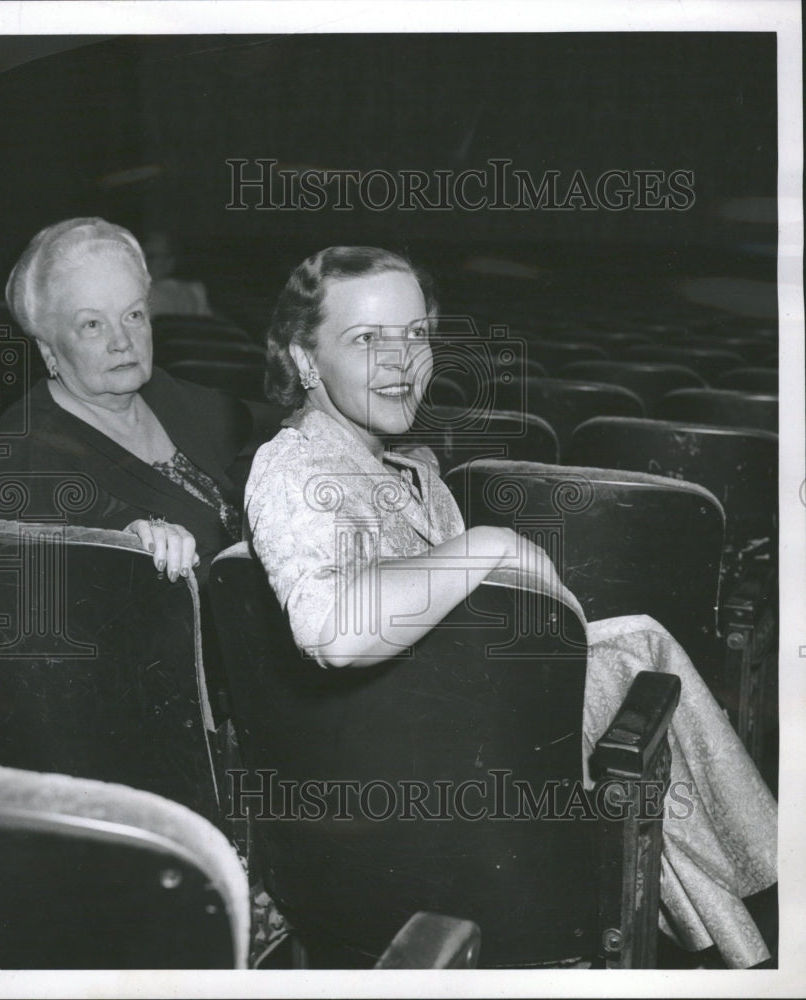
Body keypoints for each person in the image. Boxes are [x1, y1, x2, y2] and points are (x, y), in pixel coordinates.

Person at [244, 246, 778, 969]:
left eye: (417, 334)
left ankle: (761, 892)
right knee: (641, 675)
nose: (402, 361)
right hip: (428, 806)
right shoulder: (292, 467)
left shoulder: (410, 470)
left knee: (640, 645)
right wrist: (488, 546)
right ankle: (759, 906)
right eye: (367, 340)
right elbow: (331, 630)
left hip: (471, 764)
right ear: (305, 362)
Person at [0, 217, 251, 584]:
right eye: (92, 324)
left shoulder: (161, 392)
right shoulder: (25, 450)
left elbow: (260, 423)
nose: (122, 340)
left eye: (134, 315)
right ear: (48, 347)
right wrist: (124, 544)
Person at [142, 230, 215, 319]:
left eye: (150, 257)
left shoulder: (148, 294)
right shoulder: (196, 292)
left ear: (170, 261)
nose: (143, 262)